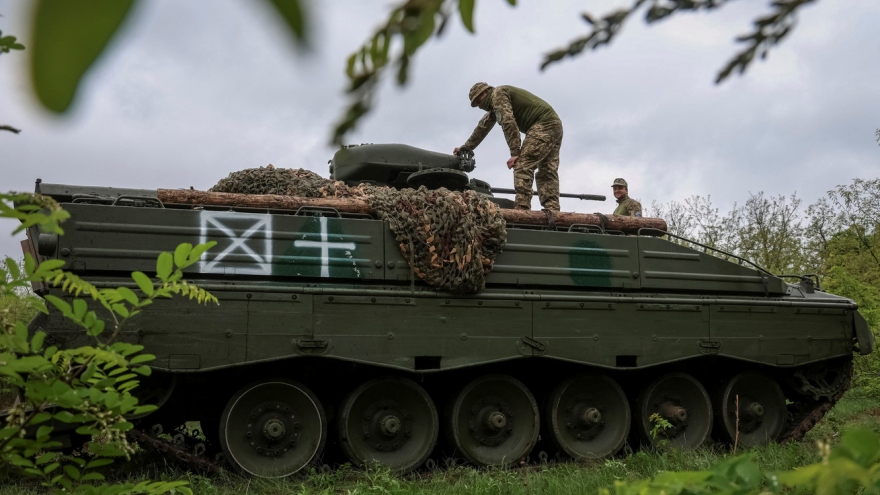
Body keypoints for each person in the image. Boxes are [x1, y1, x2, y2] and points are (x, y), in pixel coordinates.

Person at [453, 82, 563, 211]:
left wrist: (515, 152)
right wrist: (466, 148)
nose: (479, 106)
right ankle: (553, 210)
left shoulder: (497, 94)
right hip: (555, 125)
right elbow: (482, 128)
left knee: (523, 164)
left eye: (478, 101)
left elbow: (508, 122)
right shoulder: (495, 105)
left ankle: (522, 209)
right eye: (476, 104)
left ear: (485, 92)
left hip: (544, 124)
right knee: (547, 169)